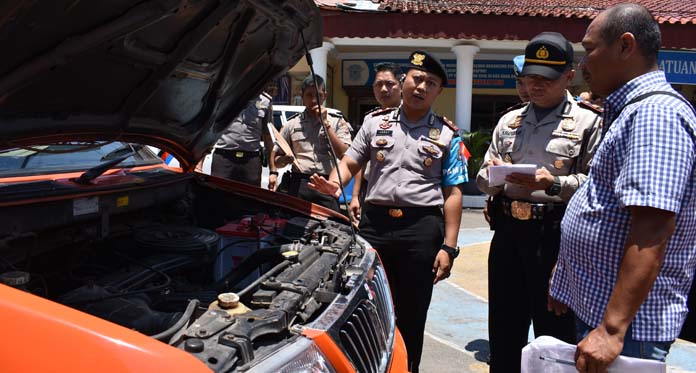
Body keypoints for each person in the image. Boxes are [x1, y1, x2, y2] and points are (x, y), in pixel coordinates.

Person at [548, 4, 696, 371]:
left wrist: (612, 328)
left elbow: (652, 228)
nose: (583, 64)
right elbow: (604, 205)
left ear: (626, 46)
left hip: (628, 331)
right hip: (602, 313)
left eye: (589, 50)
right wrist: (568, 273)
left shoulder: (655, 115)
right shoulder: (630, 110)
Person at [308, 51, 467, 372]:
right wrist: (334, 184)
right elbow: (351, 161)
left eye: (431, 83)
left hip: (420, 231)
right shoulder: (373, 123)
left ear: (438, 92)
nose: (421, 87)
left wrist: (449, 247)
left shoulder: (448, 135)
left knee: (412, 312)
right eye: (417, 79)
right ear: (404, 81)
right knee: (364, 305)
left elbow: (453, 192)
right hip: (375, 227)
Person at [476, 32, 603, 373]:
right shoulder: (509, 120)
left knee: (555, 332)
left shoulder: (589, 121)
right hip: (507, 233)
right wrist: (492, 175)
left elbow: (598, 185)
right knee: (504, 328)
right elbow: (482, 176)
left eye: (546, 79)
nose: (536, 86)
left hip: (557, 236)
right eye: (530, 78)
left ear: (568, 76)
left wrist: (555, 182)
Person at [269, 74, 352, 212]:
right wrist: (285, 159)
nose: (314, 100)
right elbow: (276, 159)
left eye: (318, 95)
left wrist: (327, 126)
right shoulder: (291, 124)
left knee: (330, 227)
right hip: (299, 184)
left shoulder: (337, 123)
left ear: (324, 96)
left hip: (327, 183)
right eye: (309, 95)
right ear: (302, 96)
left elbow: (344, 154)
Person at [349, 62, 403, 226]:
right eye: (378, 84)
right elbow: (359, 161)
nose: (384, 89)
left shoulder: (414, 116)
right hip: (372, 193)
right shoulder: (370, 120)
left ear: (401, 86)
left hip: (404, 197)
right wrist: (355, 196)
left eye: (389, 84)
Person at [211, 92, 273, 186]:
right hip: (223, 159)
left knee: (249, 198)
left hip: (251, 161)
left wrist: (273, 170)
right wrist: (199, 164)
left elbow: (267, 136)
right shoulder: (223, 96)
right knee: (218, 196)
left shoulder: (266, 101)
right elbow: (208, 130)